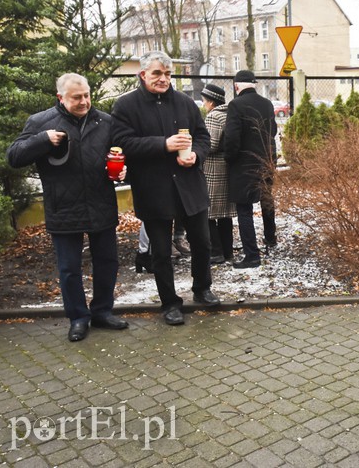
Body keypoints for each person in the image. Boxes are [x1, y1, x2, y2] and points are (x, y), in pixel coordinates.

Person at [6, 73, 129, 341]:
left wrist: (123, 172)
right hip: (64, 208)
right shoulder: (41, 122)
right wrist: (42, 140)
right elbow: (14, 157)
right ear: (60, 97)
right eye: (77, 97)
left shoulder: (105, 122)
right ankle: (78, 318)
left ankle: (102, 312)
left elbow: (121, 154)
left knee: (107, 262)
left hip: (101, 204)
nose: (84, 101)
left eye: (87, 95)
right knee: (70, 268)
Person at [111, 51, 220, 326]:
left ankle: (202, 289)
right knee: (160, 251)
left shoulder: (185, 102)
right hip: (153, 188)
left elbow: (203, 137)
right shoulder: (126, 106)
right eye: (157, 73)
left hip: (189, 185)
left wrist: (197, 153)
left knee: (202, 242)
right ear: (143, 74)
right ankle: (170, 303)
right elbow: (123, 142)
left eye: (168, 74)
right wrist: (163, 145)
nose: (163, 79)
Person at [224, 70, 277, 269]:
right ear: (254, 84)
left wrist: (229, 159)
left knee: (244, 210)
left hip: (243, 165)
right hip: (266, 161)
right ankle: (271, 239)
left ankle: (252, 255)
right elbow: (273, 131)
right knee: (266, 201)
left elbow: (232, 138)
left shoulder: (236, 105)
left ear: (237, 86)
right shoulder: (267, 103)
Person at [201, 84, 236, 264]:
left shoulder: (214, 116)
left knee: (208, 213)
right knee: (224, 215)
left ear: (211, 102)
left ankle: (216, 252)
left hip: (213, 169)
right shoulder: (230, 114)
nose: (204, 104)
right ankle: (228, 252)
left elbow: (211, 144)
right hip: (227, 168)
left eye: (205, 100)